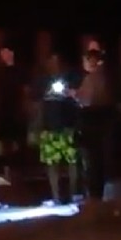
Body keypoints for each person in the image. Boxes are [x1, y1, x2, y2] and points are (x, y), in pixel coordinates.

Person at [34, 53, 80, 204]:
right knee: (51, 164)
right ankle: (55, 196)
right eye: (51, 61)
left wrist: (69, 92)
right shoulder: (42, 81)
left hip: (67, 128)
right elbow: (37, 103)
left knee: (71, 161)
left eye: (57, 61)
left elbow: (76, 102)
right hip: (49, 129)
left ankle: (73, 194)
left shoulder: (70, 79)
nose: (54, 64)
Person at [74, 47, 115, 204]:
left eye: (86, 60)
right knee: (98, 161)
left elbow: (88, 100)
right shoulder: (105, 77)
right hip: (102, 122)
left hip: (93, 123)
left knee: (93, 162)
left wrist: (75, 96)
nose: (84, 63)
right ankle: (97, 195)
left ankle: (94, 197)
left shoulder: (93, 78)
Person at [0, 42, 29, 186]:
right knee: (6, 146)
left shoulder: (20, 70)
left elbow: (26, 90)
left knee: (20, 144)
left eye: (6, 52)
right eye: (2, 53)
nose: (4, 55)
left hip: (18, 112)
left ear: (12, 53)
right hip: (4, 112)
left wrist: (25, 109)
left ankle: (21, 175)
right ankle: (8, 175)